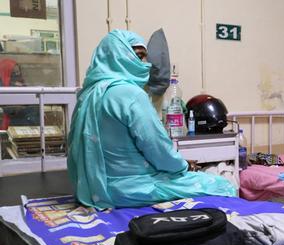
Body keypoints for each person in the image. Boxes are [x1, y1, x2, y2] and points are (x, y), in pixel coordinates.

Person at [67, 30, 235, 209]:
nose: (144, 64)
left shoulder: (87, 95)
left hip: (90, 188)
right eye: (138, 56)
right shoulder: (130, 95)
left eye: (145, 57)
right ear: (118, 55)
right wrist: (184, 166)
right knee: (222, 185)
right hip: (130, 189)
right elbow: (158, 150)